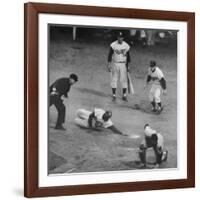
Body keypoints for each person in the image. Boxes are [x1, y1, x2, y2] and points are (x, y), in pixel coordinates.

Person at [107, 32, 131, 102]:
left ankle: (124, 95)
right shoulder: (113, 45)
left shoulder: (126, 45)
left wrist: (128, 66)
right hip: (115, 64)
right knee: (114, 79)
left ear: (123, 38)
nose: (120, 38)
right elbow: (109, 55)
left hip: (123, 64)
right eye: (119, 37)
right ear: (117, 37)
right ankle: (114, 95)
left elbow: (128, 56)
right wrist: (109, 64)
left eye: (121, 37)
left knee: (124, 80)